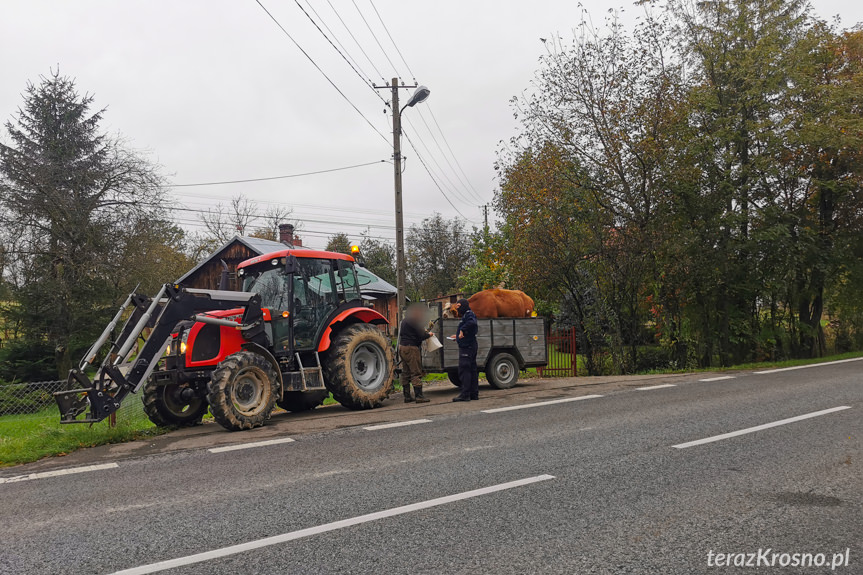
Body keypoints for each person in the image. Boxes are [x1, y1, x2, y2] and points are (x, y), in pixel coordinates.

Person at [399, 305, 432, 403]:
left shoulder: (404, 321)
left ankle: (407, 396)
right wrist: (429, 335)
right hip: (411, 348)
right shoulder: (415, 321)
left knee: (406, 372)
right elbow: (421, 335)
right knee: (416, 372)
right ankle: (419, 396)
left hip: (402, 347)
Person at [452, 298, 479, 401]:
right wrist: (457, 336)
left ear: (463, 305)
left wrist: (462, 329)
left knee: (465, 370)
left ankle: (465, 395)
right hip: (470, 345)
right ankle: (474, 394)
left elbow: (472, 323)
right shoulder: (466, 315)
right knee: (472, 370)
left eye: (458, 306)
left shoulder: (469, 314)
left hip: (467, 347)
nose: (457, 308)